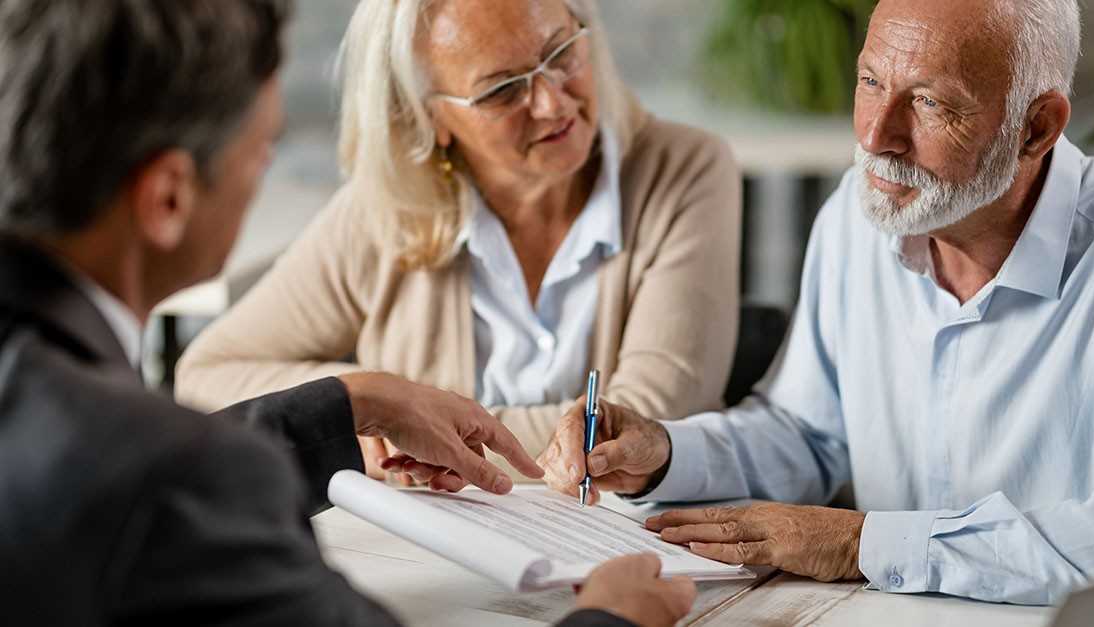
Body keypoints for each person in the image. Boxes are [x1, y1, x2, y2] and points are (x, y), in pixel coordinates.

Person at [0, 1, 696, 625]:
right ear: (169, 199)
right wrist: (612, 620)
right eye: (261, 150)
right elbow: (165, 475)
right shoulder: (185, 482)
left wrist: (351, 399)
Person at [539, 0, 1094, 606]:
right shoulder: (857, 222)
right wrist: (665, 449)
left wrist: (862, 543)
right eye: (871, 82)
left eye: (932, 103)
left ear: (1037, 127)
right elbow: (807, 433)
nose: (877, 135)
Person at [173, 0, 740, 481]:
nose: (552, 102)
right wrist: (364, 403)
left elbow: (641, 429)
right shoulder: (384, 210)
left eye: (562, 53)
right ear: (429, 119)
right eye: (501, 91)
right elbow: (205, 376)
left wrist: (417, 427)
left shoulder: (686, 169)